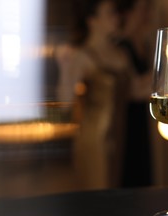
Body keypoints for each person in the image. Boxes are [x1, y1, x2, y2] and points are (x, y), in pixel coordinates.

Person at [56, 0, 131, 189]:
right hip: (95, 137)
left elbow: (135, 90)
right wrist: (64, 68)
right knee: (99, 190)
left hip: (121, 131)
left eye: (116, 13)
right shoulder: (81, 55)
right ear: (92, 20)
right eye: (109, 13)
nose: (116, 18)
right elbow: (64, 101)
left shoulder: (121, 53)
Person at [118, 0, 154, 187]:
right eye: (143, 9)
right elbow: (132, 90)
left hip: (143, 114)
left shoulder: (145, 43)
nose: (147, 14)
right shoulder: (122, 45)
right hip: (127, 117)